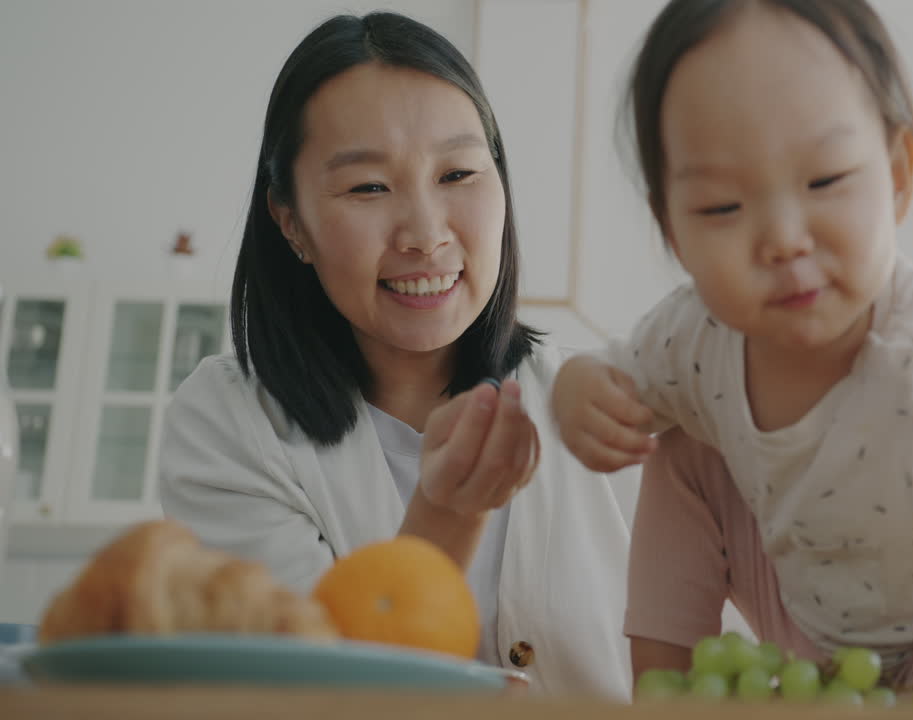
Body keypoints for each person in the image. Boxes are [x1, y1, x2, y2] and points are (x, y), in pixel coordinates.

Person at [550, 0, 913, 713]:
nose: (784, 239)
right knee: (678, 441)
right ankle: (665, 692)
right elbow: (616, 373)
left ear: (898, 176)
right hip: (805, 633)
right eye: (722, 206)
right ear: (672, 230)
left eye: (824, 181)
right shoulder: (693, 337)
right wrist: (579, 391)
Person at [158, 11, 634, 700]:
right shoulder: (227, 425)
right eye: (368, 187)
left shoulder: (599, 406)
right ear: (291, 222)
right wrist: (444, 515)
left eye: (458, 173)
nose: (425, 234)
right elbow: (310, 694)